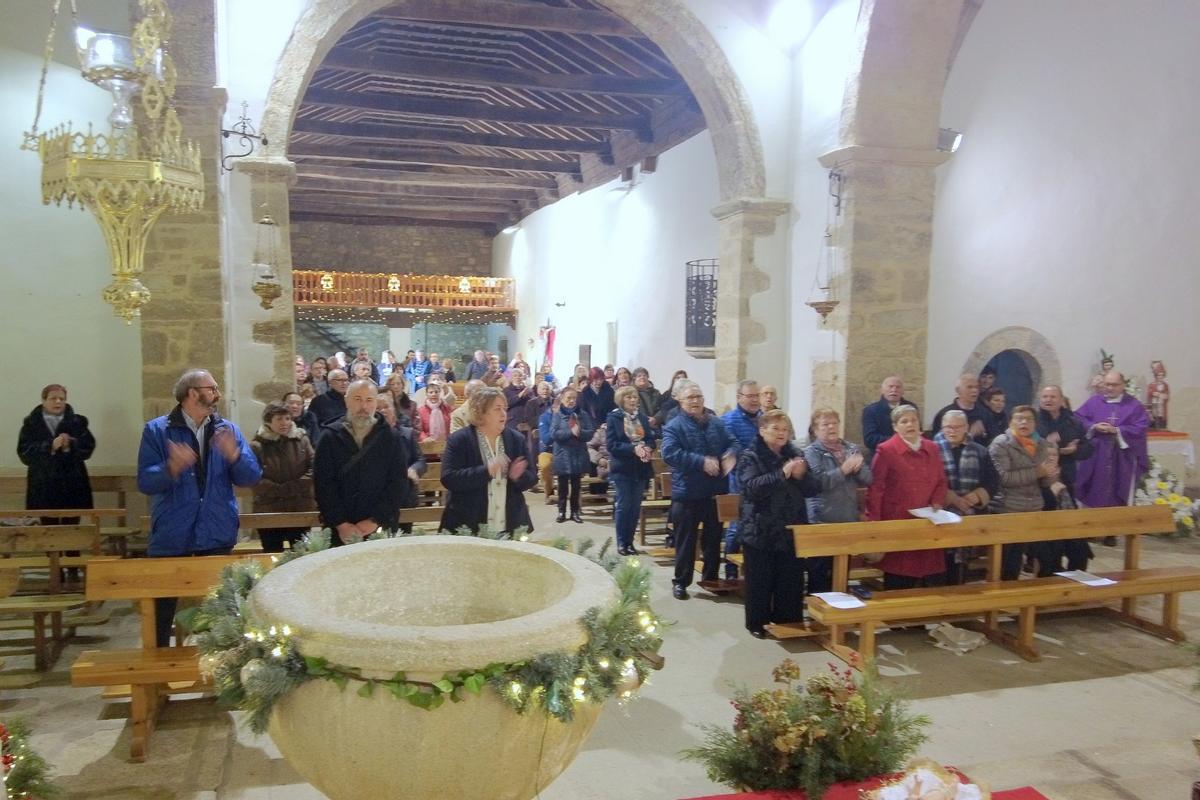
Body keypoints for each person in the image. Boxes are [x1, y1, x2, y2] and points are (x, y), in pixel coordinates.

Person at [136, 369, 261, 646]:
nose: (217, 394)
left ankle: (220, 672)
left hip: (216, 529)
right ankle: (158, 674)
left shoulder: (228, 430)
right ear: (192, 393)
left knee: (220, 611)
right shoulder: (157, 430)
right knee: (161, 610)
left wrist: (235, 455)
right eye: (212, 388)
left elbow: (251, 477)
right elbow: (145, 481)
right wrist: (171, 467)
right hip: (172, 532)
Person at [738, 410, 821, 638]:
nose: (781, 433)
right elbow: (751, 489)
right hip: (760, 528)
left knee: (790, 578)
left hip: (792, 527)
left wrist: (803, 476)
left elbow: (813, 489)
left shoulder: (795, 453)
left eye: (785, 429)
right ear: (762, 430)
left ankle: (787, 621)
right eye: (775, 429)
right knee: (760, 579)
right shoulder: (750, 455)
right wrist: (781, 474)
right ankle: (757, 622)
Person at [662, 380, 736, 599]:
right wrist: (700, 461)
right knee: (686, 541)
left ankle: (710, 579)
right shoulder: (674, 425)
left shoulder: (716, 422)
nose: (695, 401)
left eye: (699, 397)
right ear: (680, 401)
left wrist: (730, 455)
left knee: (713, 540)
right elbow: (670, 453)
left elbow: (732, 443)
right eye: (690, 397)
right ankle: (681, 582)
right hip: (688, 493)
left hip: (714, 491)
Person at [313, 378, 409, 546]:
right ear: (346, 400)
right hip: (340, 528)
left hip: (380, 525)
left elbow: (398, 482)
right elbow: (323, 484)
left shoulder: (391, 437)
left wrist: (376, 519)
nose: (363, 406)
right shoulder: (329, 437)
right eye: (357, 399)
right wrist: (341, 524)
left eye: (369, 400)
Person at [865, 404, 948, 589]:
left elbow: (941, 481)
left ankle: (922, 616)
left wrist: (937, 501)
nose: (910, 424)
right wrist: (874, 523)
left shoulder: (932, 448)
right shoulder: (886, 450)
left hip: (928, 521)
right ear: (895, 426)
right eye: (904, 421)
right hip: (898, 520)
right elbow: (876, 488)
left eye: (914, 420)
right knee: (900, 577)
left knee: (929, 578)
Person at [18, 382, 96, 570]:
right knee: (49, 530)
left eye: (62, 398)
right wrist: (50, 446)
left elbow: (88, 447)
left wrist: (70, 444)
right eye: (53, 398)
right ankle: (54, 568)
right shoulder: (31, 423)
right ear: (44, 400)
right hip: (43, 484)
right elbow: (24, 452)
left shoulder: (77, 422)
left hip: (72, 484)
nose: (58, 402)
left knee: (72, 528)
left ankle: (73, 566)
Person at [439, 387, 536, 535]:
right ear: (480, 412)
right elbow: (449, 478)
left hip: (510, 524)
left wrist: (518, 477)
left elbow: (532, 479)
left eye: (505, 408)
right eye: (497, 409)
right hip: (468, 524)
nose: (504, 413)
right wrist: (486, 470)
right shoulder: (459, 440)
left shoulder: (517, 440)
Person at [989, 405, 1066, 580]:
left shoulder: (1040, 444)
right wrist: (1038, 472)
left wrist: (1050, 476)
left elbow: (1043, 482)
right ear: (1011, 422)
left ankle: (1033, 596)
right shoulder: (1001, 444)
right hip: (1008, 507)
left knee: (1043, 558)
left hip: (1033, 508)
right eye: (1019, 418)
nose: (1024, 422)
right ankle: (1003, 599)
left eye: (1029, 419)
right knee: (1008, 562)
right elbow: (1003, 478)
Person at [804, 407, 872, 589]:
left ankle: (840, 611)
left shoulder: (851, 448)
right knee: (820, 570)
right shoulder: (812, 452)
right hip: (822, 517)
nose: (831, 427)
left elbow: (868, 479)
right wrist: (843, 470)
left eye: (834, 423)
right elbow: (819, 482)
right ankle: (818, 610)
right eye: (825, 424)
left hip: (847, 516)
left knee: (841, 571)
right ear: (816, 429)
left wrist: (858, 469)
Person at [934, 409, 999, 582]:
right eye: (948, 427)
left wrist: (977, 496)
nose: (952, 431)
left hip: (969, 512)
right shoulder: (931, 450)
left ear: (966, 428)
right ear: (941, 427)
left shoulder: (980, 451)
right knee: (939, 563)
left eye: (957, 427)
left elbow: (993, 481)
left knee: (959, 566)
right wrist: (951, 498)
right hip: (939, 513)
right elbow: (926, 480)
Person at [1035, 385, 1094, 572]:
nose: (1048, 400)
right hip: (1041, 487)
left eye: (1052, 396)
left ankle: (1075, 582)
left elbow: (1088, 448)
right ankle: (1051, 576)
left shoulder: (1073, 421)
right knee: (1051, 539)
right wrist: (1052, 446)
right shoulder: (1034, 421)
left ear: (1061, 400)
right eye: (1044, 396)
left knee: (1077, 541)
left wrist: (1075, 450)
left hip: (1066, 481)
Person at [1073, 370, 1150, 510]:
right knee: (1095, 491)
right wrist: (1093, 426)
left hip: (1121, 458)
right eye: (1107, 384)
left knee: (1117, 493)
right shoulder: (1094, 401)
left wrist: (1117, 430)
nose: (1110, 388)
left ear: (1123, 385)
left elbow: (1140, 428)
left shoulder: (1134, 405)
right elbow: (1077, 419)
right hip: (1096, 457)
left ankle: (1116, 526)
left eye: (1114, 385)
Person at [249, 402, 315, 553]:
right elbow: (252, 475)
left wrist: (292, 487)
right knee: (272, 553)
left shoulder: (302, 440)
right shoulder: (257, 445)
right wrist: (277, 490)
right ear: (268, 421)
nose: (284, 423)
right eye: (279, 419)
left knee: (300, 555)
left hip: (300, 507)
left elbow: (313, 467)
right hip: (269, 508)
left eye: (287, 418)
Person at [606, 386, 657, 555]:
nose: (633, 400)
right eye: (629, 397)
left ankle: (630, 542)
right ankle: (622, 542)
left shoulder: (642, 417)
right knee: (624, 505)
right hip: (623, 468)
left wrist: (648, 448)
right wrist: (633, 449)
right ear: (622, 400)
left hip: (641, 468)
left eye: (634, 397)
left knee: (635, 507)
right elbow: (612, 445)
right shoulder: (614, 417)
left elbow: (650, 439)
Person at [720, 379, 763, 580]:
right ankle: (730, 570)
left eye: (757, 396)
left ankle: (753, 569)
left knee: (758, 526)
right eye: (750, 396)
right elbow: (733, 447)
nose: (755, 400)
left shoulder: (765, 418)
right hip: (740, 482)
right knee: (736, 527)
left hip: (764, 482)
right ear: (739, 397)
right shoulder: (729, 420)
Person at [375, 392, 427, 532]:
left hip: (404, 496)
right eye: (378, 408)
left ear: (394, 409)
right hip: (377, 497)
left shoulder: (407, 433)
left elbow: (421, 460)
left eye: (386, 406)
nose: (383, 411)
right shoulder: (369, 437)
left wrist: (413, 469)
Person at [550, 386, 594, 523]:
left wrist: (580, 432)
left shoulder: (583, 414)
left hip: (577, 454)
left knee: (576, 486)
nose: (571, 401)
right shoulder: (557, 415)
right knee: (562, 486)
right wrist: (570, 432)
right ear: (562, 399)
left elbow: (590, 432)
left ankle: (575, 512)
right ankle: (561, 511)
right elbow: (553, 433)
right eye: (568, 398)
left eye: (574, 398)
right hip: (562, 454)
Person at [861, 376, 919, 457]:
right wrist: (899, 441)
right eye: (890, 386)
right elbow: (870, 439)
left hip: (909, 453)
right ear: (882, 390)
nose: (894, 390)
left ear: (903, 391)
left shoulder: (911, 407)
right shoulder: (871, 410)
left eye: (898, 387)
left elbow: (918, 432)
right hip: (883, 454)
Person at [931, 373, 987, 443]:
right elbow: (937, 444)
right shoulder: (945, 414)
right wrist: (970, 434)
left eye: (976, 387)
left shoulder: (985, 413)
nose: (974, 390)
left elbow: (993, 439)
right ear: (958, 390)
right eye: (970, 387)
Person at [503, 367, 534, 432]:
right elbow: (506, 404)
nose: (518, 377)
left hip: (525, 421)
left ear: (523, 377)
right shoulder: (506, 390)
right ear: (511, 378)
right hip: (512, 421)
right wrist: (519, 396)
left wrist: (528, 395)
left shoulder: (528, 390)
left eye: (520, 376)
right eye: (515, 376)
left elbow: (533, 403)